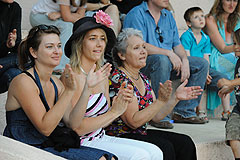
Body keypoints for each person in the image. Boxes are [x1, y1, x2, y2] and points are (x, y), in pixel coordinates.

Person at [3, 24, 117, 160]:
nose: (57, 51)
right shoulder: (23, 82)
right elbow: (45, 128)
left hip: (48, 143)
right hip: (23, 145)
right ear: (33, 52)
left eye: (58, 46)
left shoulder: (56, 83)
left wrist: (87, 89)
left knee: (109, 157)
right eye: (49, 47)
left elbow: (73, 124)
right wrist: (69, 91)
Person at [63, 12, 164, 159]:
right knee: (139, 155)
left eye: (102, 39)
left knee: (156, 151)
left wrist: (120, 104)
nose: (99, 44)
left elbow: (104, 123)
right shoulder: (71, 76)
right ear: (79, 43)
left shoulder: (103, 75)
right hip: (82, 142)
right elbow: (76, 128)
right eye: (92, 39)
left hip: (101, 137)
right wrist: (114, 112)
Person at [105, 28, 201, 160]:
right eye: (136, 48)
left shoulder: (143, 78)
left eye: (144, 47)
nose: (143, 51)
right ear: (122, 55)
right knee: (165, 147)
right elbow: (133, 121)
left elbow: (156, 117)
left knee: (185, 142)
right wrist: (160, 101)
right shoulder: (120, 79)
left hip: (140, 133)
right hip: (121, 135)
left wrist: (175, 98)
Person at [123, 0, 209, 129]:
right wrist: (168, 53)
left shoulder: (168, 16)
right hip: (143, 64)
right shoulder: (136, 14)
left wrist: (184, 60)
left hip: (168, 62)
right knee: (161, 60)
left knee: (201, 64)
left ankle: (184, 112)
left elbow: (177, 44)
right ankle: (158, 114)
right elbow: (137, 45)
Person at [181, 7, 231, 122]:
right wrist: (203, 73)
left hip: (204, 68)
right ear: (188, 23)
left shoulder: (205, 38)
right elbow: (188, 59)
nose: (201, 19)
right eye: (196, 17)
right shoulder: (186, 36)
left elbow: (206, 58)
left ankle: (227, 112)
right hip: (191, 68)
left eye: (202, 16)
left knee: (225, 80)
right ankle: (198, 111)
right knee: (199, 83)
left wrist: (206, 72)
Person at [30, 0, 87, 74]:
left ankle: (76, 64)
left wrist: (60, 14)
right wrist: (66, 15)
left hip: (58, 18)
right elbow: (68, 18)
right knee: (67, 26)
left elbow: (81, 17)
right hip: (40, 15)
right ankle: (59, 67)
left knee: (82, 25)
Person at [205, 0, 240, 118]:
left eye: (235, 0)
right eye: (228, 0)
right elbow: (222, 48)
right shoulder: (210, 19)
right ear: (220, 1)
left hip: (234, 53)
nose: (232, 4)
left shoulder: (237, 19)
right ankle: (228, 109)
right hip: (218, 55)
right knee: (234, 62)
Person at [217, 28, 240, 160]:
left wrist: (230, 83)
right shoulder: (238, 61)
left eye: (237, 43)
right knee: (232, 130)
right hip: (239, 109)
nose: (234, 47)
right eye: (234, 43)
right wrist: (231, 88)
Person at [0, 0, 22, 93]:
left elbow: (17, 48)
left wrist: (10, 44)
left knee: (15, 74)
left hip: (3, 63)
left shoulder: (14, 8)